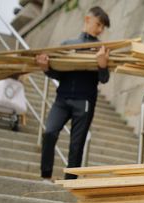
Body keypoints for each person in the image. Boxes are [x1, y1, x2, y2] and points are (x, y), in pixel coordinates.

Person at [35, 6, 110, 180]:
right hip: (62, 99)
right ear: (87, 19)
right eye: (98, 24)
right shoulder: (68, 45)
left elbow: (104, 78)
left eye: (103, 27)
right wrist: (45, 68)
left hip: (84, 101)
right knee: (49, 132)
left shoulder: (101, 49)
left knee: (77, 144)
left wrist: (102, 65)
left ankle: (70, 182)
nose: (100, 30)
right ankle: (45, 175)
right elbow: (57, 73)